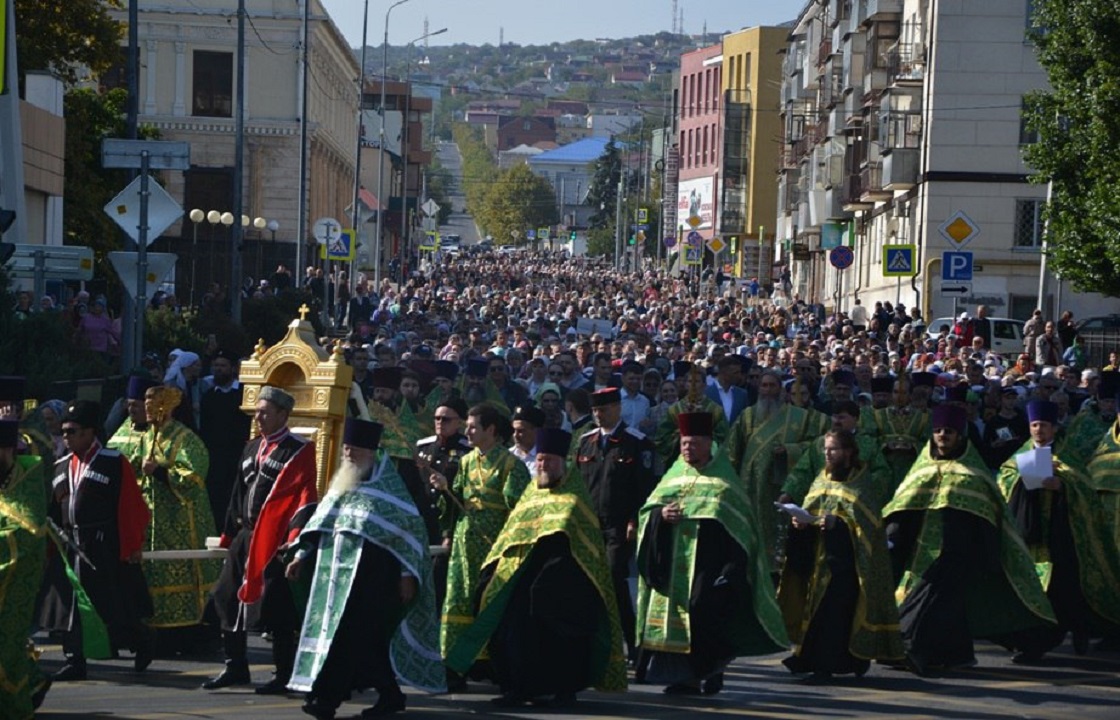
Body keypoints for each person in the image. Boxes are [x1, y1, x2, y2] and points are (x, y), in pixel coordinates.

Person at [445, 428, 627, 708]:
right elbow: (511, 534)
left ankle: (562, 688)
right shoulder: (531, 495)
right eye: (540, 460)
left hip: (565, 580)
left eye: (550, 461)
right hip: (522, 573)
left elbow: (584, 547)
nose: (544, 465)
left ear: (562, 463)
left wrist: (554, 575)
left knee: (560, 630)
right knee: (509, 622)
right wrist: (493, 567)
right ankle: (518, 687)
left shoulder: (575, 498)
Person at [288, 419, 444, 720]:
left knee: (350, 637)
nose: (348, 454)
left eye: (354, 450)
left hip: (375, 578)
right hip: (334, 577)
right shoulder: (342, 483)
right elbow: (321, 524)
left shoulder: (391, 489)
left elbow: (409, 534)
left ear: (371, 452)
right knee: (362, 641)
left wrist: (406, 574)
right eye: (346, 448)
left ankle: (326, 700)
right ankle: (390, 695)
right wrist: (301, 555)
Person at [884, 406, 1056, 675]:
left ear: (960, 437)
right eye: (938, 431)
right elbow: (901, 507)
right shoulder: (922, 469)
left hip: (959, 552)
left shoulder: (973, 473)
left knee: (931, 600)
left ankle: (912, 648)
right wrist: (892, 538)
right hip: (922, 550)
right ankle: (958, 655)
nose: (943, 436)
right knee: (948, 605)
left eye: (949, 432)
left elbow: (990, 514)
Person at [635, 412, 787, 695]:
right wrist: (661, 515)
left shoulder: (724, 482)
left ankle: (710, 670)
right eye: (683, 443)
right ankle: (688, 677)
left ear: (708, 445)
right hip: (674, 562)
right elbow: (648, 510)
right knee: (680, 617)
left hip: (711, 563)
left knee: (703, 614)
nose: (687, 449)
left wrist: (732, 571)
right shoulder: (673, 477)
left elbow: (741, 528)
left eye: (693, 443)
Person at [204, 386, 318, 693]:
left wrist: (294, 539)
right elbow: (237, 493)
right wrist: (229, 535)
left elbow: (306, 496)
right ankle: (235, 667)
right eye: (257, 411)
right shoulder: (252, 447)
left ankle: (282, 674)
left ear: (283, 415)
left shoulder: (299, 450)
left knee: (276, 608)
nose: (259, 417)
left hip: (276, 541)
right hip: (246, 535)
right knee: (226, 597)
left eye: (265, 412)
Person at [998, 400, 1120, 661]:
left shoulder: (1067, 454)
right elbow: (1004, 479)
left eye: (1043, 425)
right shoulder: (1021, 454)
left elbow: (1084, 487)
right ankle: (1033, 646)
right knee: (1036, 590)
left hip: (1062, 534)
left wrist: (1062, 485)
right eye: (1034, 425)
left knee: (1063, 591)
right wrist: (1020, 479)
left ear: (1054, 428)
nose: (1039, 430)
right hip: (1031, 536)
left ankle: (1077, 629)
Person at [777, 430, 904, 679]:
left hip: (847, 565)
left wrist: (838, 524)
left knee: (833, 613)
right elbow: (812, 511)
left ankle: (825, 667)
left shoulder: (861, 484)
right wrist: (802, 523)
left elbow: (867, 525)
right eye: (825, 448)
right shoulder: (821, 479)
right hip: (819, 561)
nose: (827, 453)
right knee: (817, 611)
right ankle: (833, 660)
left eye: (833, 449)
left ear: (848, 452)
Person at [43, 400, 153, 681]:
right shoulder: (60, 466)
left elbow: (131, 506)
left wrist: (131, 546)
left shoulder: (113, 462)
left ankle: (141, 643)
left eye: (72, 431)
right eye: (63, 431)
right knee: (72, 606)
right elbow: (53, 511)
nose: (65, 436)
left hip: (103, 544)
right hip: (70, 544)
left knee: (113, 605)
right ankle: (74, 659)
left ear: (90, 432)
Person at [429, 402, 530, 690]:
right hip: (464, 543)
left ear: (491, 430)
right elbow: (454, 500)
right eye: (467, 426)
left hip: (494, 546)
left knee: (490, 602)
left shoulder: (512, 465)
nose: (468, 431)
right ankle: (453, 666)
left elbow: (519, 511)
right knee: (458, 599)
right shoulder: (465, 461)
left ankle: (492, 663)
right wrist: (443, 488)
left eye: (473, 426)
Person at [118, 385, 218, 645]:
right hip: (152, 517)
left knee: (178, 567)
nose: (147, 411)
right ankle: (154, 629)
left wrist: (161, 472)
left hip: (182, 519)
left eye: (152, 406)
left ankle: (183, 633)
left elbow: (194, 476)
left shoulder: (185, 438)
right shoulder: (149, 435)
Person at [576, 387, 656, 663]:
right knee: (587, 581)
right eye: (596, 410)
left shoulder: (636, 442)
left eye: (605, 409)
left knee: (613, 579)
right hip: (590, 523)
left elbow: (645, 487)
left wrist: (635, 519)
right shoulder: (586, 441)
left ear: (618, 408)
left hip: (619, 524)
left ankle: (633, 644)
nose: (600, 415)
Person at [726, 369, 828, 573]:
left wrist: (789, 450)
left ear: (781, 389)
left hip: (781, 485)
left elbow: (814, 446)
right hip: (750, 487)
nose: (767, 390)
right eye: (764, 385)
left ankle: (777, 573)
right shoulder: (747, 416)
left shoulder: (798, 417)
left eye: (772, 385)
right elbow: (731, 451)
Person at [0, 419, 51, 715]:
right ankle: (33, 683)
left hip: (13, 580)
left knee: (6, 656)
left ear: (7, 450)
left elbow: (28, 529)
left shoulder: (27, 477)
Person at [198, 350, 252, 530]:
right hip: (214, 455)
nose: (219, 370)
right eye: (216, 366)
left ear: (232, 369)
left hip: (237, 454)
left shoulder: (243, 394)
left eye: (223, 366)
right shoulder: (209, 396)